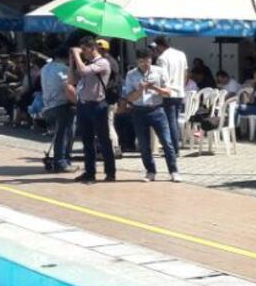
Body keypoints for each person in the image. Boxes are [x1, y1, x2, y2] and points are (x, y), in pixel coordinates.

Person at [122, 50, 180, 182]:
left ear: (151, 60)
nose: (144, 65)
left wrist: (155, 88)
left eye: (147, 62)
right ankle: (150, 171)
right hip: (139, 111)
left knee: (167, 142)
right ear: (137, 61)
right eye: (141, 62)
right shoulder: (131, 75)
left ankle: (174, 171)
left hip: (157, 110)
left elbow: (168, 93)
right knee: (143, 144)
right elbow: (129, 98)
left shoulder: (159, 71)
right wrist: (140, 89)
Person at [69, 38, 116, 183]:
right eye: (81, 50)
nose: (83, 53)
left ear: (92, 48)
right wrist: (72, 61)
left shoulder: (102, 63)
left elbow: (83, 71)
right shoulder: (87, 63)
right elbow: (72, 79)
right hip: (83, 104)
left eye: (84, 50)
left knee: (103, 140)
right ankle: (90, 172)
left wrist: (76, 54)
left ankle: (110, 172)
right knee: (86, 141)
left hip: (97, 105)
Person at [40, 48, 76, 172]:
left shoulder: (45, 68)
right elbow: (68, 88)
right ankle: (61, 162)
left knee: (59, 134)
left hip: (47, 106)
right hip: (61, 105)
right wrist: (78, 101)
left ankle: (61, 160)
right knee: (65, 134)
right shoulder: (63, 69)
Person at [152, 36, 188, 158]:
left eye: (156, 47)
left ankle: (173, 149)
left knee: (169, 122)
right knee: (174, 121)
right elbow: (185, 73)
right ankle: (174, 148)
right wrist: (181, 86)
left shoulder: (162, 58)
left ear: (160, 45)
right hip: (179, 91)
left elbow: (161, 77)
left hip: (168, 93)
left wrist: (159, 91)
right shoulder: (181, 54)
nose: (155, 50)